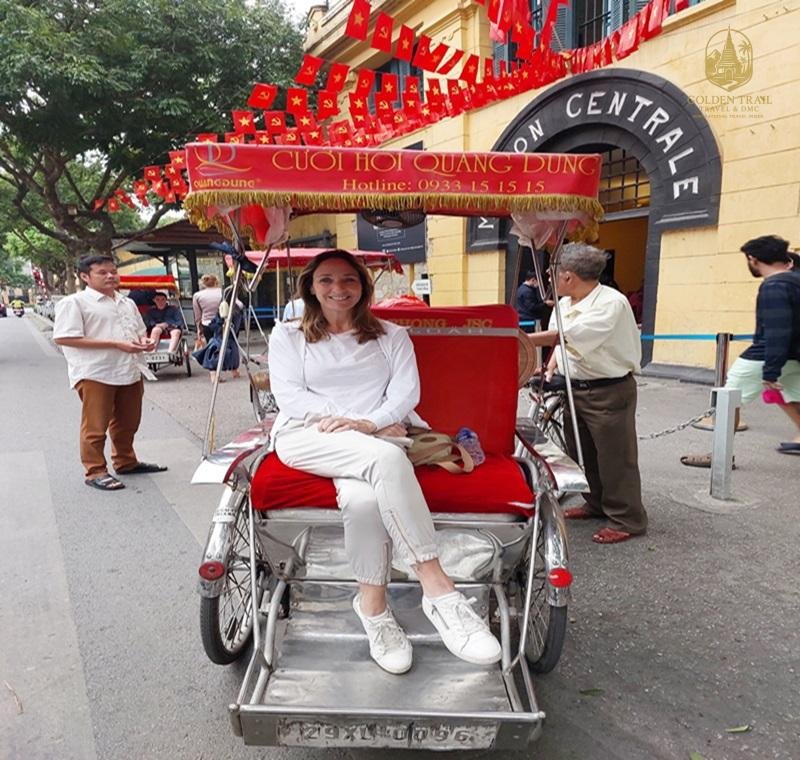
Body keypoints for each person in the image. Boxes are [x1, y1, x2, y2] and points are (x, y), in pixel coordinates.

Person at [268, 249, 502, 674]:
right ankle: (439, 590)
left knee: (363, 502)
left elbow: (406, 394)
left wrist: (369, 423)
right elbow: (291, 397)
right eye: (326, 280)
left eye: (348, 280)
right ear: (311, 287)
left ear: (363, 287)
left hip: (374, 434)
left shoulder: (392, 335)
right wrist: (361, 425)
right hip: (307, 436)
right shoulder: (288, 336)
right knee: (387, 459)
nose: (338, 289)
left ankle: (373, 609)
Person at [528, 243, 647, 545]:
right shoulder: (564, 303)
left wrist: (516, 338)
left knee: (615, 458)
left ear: (568, 276)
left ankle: (627, 518)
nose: (548, 277)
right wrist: (549, 369)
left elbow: (567, 336)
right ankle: (596, 503)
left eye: (552, 272)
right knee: (583, 453)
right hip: (575, 389)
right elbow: (560, 347)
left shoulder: (611, 303)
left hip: (608, 390)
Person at [681, 235, 800, 464]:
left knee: (728, 398)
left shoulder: (774, 286)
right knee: (794, 396)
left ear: (753, 259)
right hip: (794, 357)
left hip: (764, 356)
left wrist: (770, 371)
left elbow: (778, 330)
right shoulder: (795, 282)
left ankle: (720, 457)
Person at [52, 255, 167, 491]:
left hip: (129, 368)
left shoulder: (126, 302)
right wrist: (115, 344)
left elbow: (138, 331)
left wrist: (145, 341)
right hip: (96, 372)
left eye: (113, 271)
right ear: (85, 276)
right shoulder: (74, 303)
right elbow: (64, 337)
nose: (110, 276)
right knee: (95, 426)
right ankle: (95, 470)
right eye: (102, 272)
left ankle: (125, 461)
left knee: (128, 422)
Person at [192, 294, 243, 383]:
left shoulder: (230, 310)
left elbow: (214, 323)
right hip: (222, 337)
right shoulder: (235, 310)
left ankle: (224, 373)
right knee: (223, 353)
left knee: (217, 353)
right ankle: (224, 373)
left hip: (220, 335)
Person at [144, 290, 183, 355]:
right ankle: (152, 352)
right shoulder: (151, 311)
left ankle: (170, 353)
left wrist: (169, 324)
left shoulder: (173, 309)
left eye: (163, 299)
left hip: (172, 327)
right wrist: (157, 325)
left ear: (166, 300)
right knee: (155, 330)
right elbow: (149, 322)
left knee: (176, 332)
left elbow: (179, 321)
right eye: (158, 300)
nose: (160, 302)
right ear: (154, 300)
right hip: (158, 326)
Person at [192, 273, 222, 344]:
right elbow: (239, 305)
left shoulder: (197, 295)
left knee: (210, 345)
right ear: (216, 282)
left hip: (206, 324)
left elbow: (198, 316)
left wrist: (199, 329)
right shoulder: (223, 292)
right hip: (222, 324)